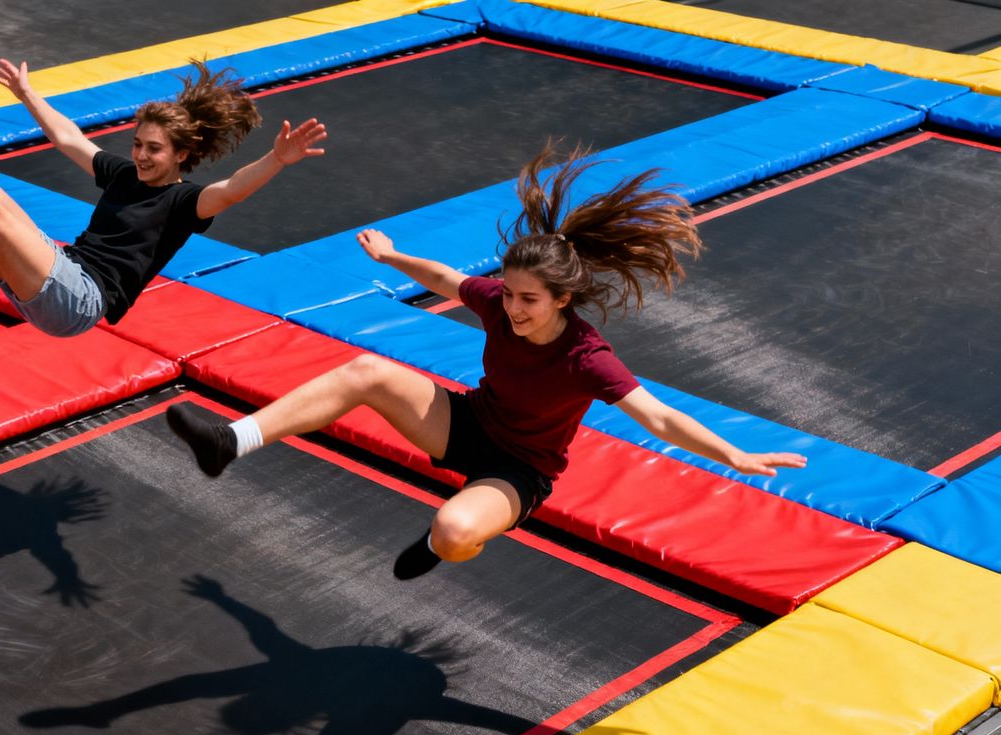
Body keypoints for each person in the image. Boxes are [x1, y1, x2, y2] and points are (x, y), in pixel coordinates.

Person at [168, 141, 808, 580]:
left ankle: (445, 547)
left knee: (451, 530)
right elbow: (447, 279)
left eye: (530, 301)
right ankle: (232, 440)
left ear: (562, 299)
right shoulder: (500, 301)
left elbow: (658, 417)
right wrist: (392, 258)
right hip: (468, 422)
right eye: (510, 295)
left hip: (520, 468)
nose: (515, 310)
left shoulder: (587, 356)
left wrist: (734, 456)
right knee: (367, 372)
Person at [0, 58, 326, 336]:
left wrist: (277, 160)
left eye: (153, 149)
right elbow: (70, 139)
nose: (141, 156)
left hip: (81, 301)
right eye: (137, 144)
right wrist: (28, 94)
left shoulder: (184, 203)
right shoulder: (124, 174)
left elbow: (231, 192)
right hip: (59, 273)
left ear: (181, 154)